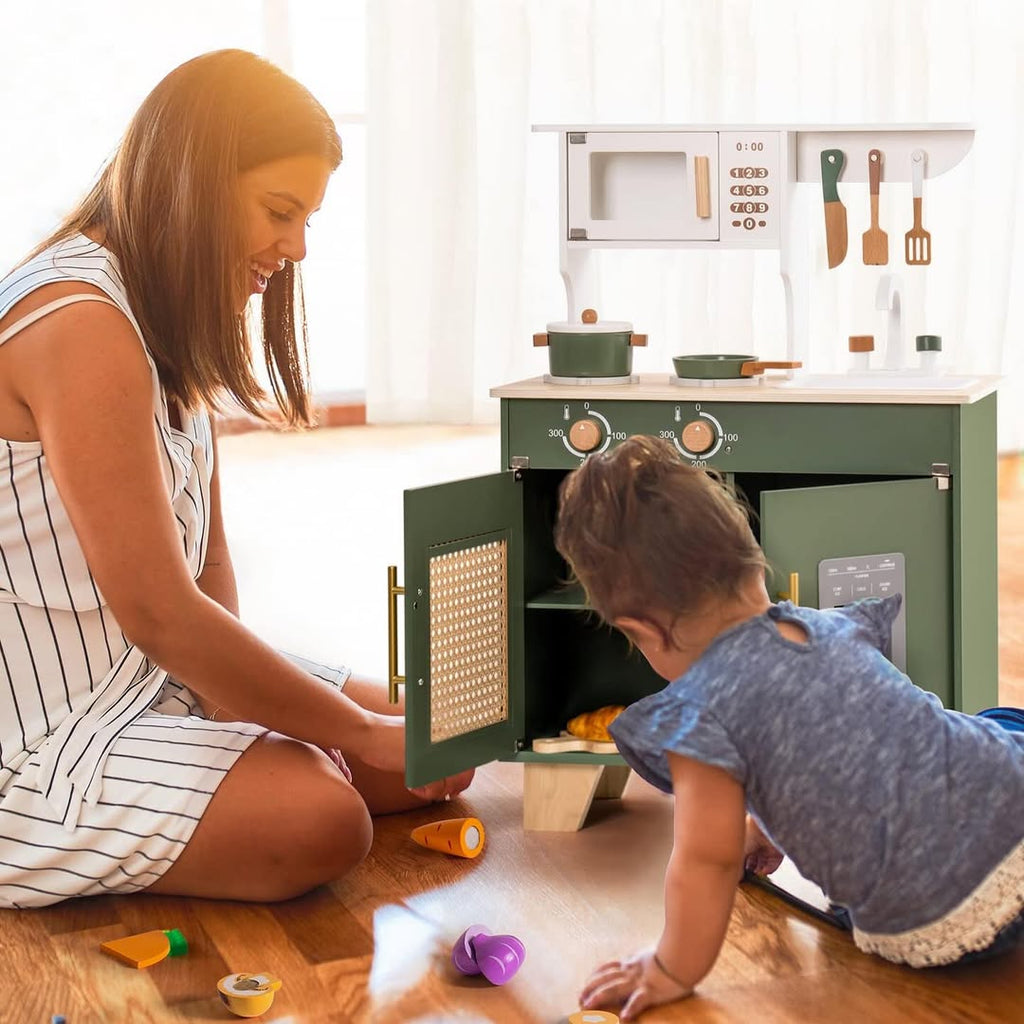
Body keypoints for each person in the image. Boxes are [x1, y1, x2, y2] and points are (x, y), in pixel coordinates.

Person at [0, 49, 471, 910]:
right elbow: (158, 609)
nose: (296, 248)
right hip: (43, 736)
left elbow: (207, 567)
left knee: (437, 742)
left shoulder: (165, 309)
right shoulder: (80, 322)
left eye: (307, 220)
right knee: (324, 820)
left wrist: (241, 705)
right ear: (189, 183)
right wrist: (349, 734)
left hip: (150, 681)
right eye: (280, 212)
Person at [552, 435, 1024, 1021]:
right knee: (992, 723)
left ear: (642, 631)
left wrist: (670, 968)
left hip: (929, 919)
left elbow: (708, 861)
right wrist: (768, 818)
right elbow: (865, 742)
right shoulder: (829, 627)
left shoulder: (699, 715)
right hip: (1013, 820)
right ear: (754, 566)